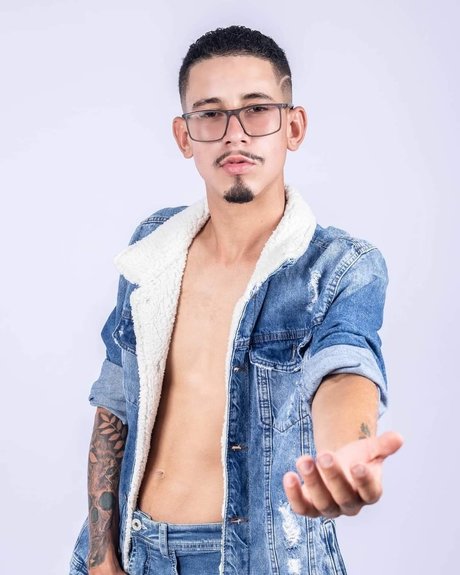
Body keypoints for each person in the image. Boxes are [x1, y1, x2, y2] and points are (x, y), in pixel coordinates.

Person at [69, 25, 403, 575]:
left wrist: (348, 449)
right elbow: (115, 404)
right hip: (135, 551)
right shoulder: (153, 247)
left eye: (257, 109)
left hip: (258, 561)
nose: (235, 135)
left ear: (293, 127)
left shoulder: (340, 265)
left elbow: (345, 366)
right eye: (211, 114)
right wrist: (102, 558)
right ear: (184, 136)